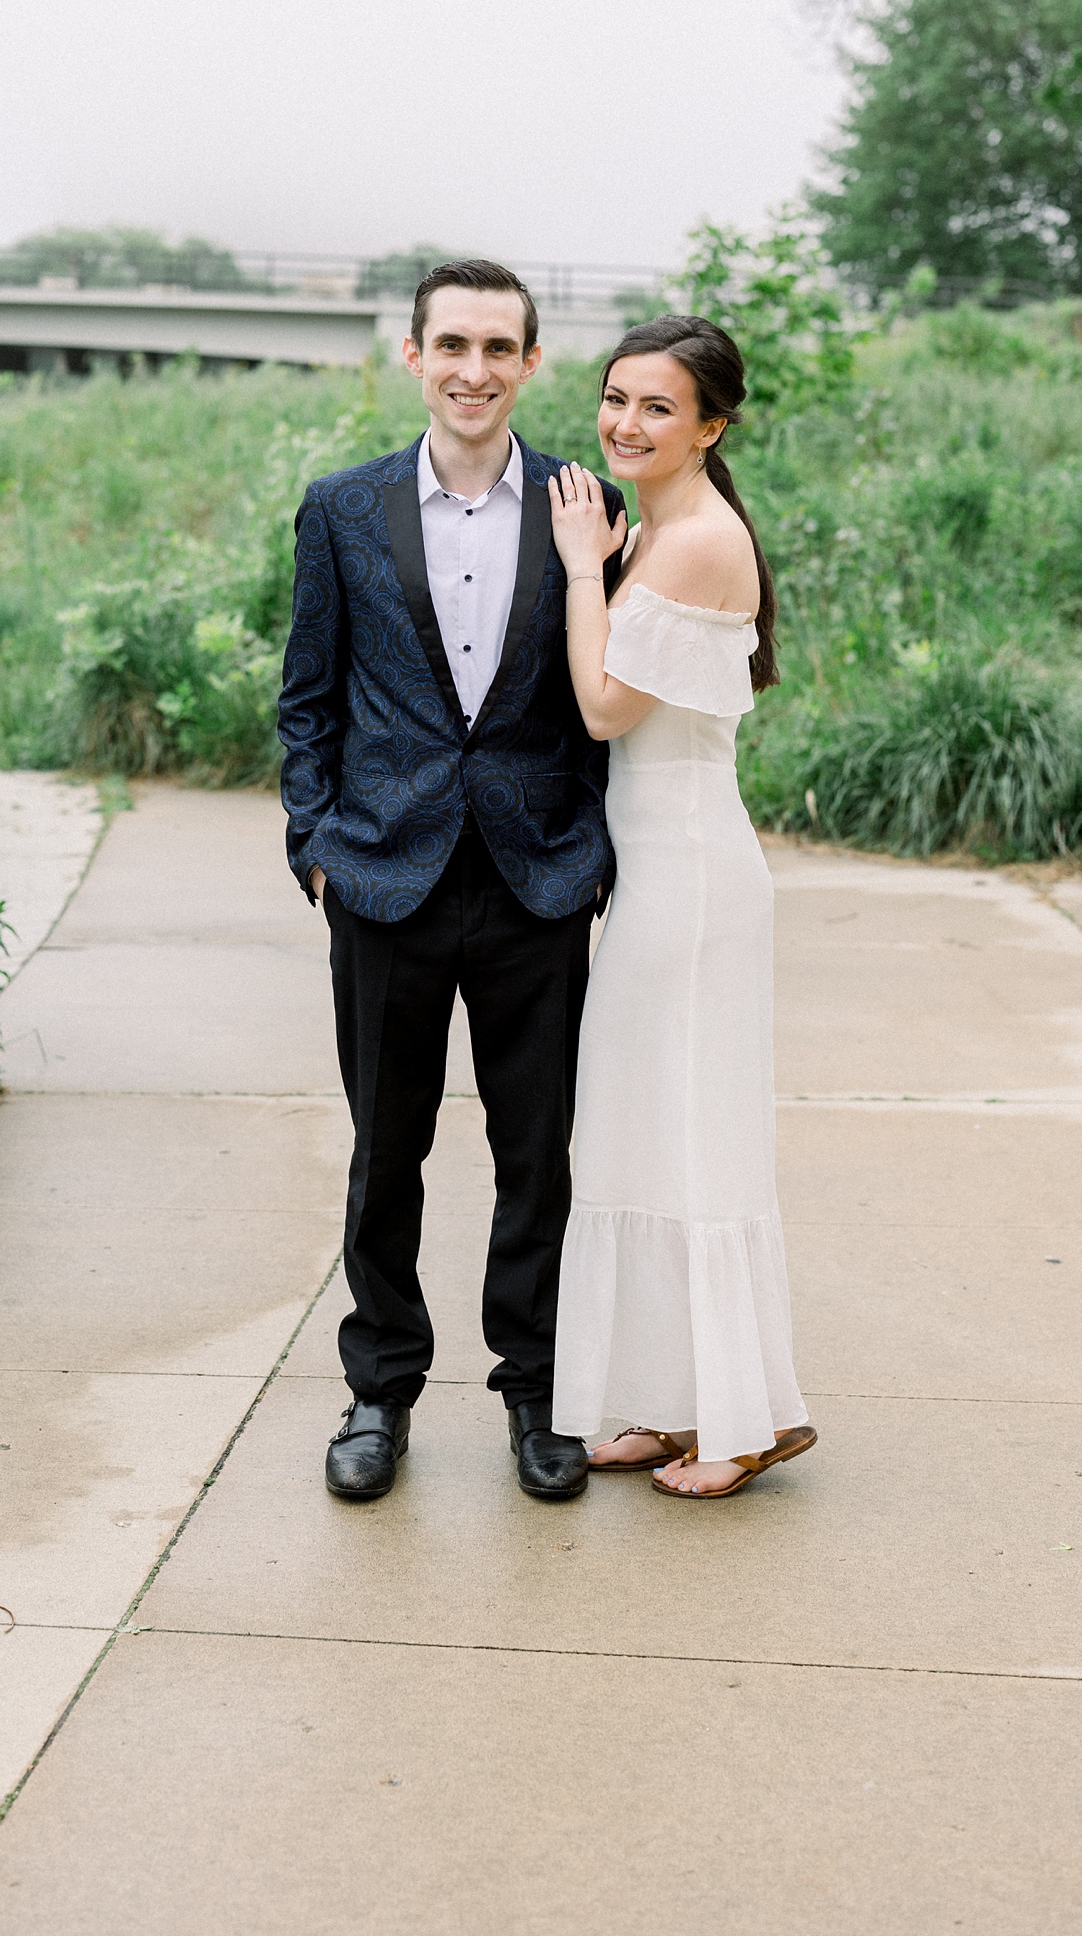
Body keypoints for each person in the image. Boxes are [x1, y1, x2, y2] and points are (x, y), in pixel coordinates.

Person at [278, 259, 627, 1503]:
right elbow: (307, 694)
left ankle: (539, 1394)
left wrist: (589, 850)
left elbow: (606, 704)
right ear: (412, 357)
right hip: (382, 880)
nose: (474, 370)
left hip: (537, 882)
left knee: (539, 1154)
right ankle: (380, 1391)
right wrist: (314, 843)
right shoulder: (340, 509)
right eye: (452, 346)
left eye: (499, 347)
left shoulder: (588, 512)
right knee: (389, 1151)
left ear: (532, 363)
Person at [547, 315, 816, 1499]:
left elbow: (607, 709)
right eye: (616, 398)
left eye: (659, 406)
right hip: (657, 867)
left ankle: (745, 1421)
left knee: (696, 1134)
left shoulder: (698, 541)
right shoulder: (659, 533)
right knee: (641, 1124)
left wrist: (573, 573)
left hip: (693, 873)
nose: (626, 423)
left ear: (713, 424)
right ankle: (672, 1398)